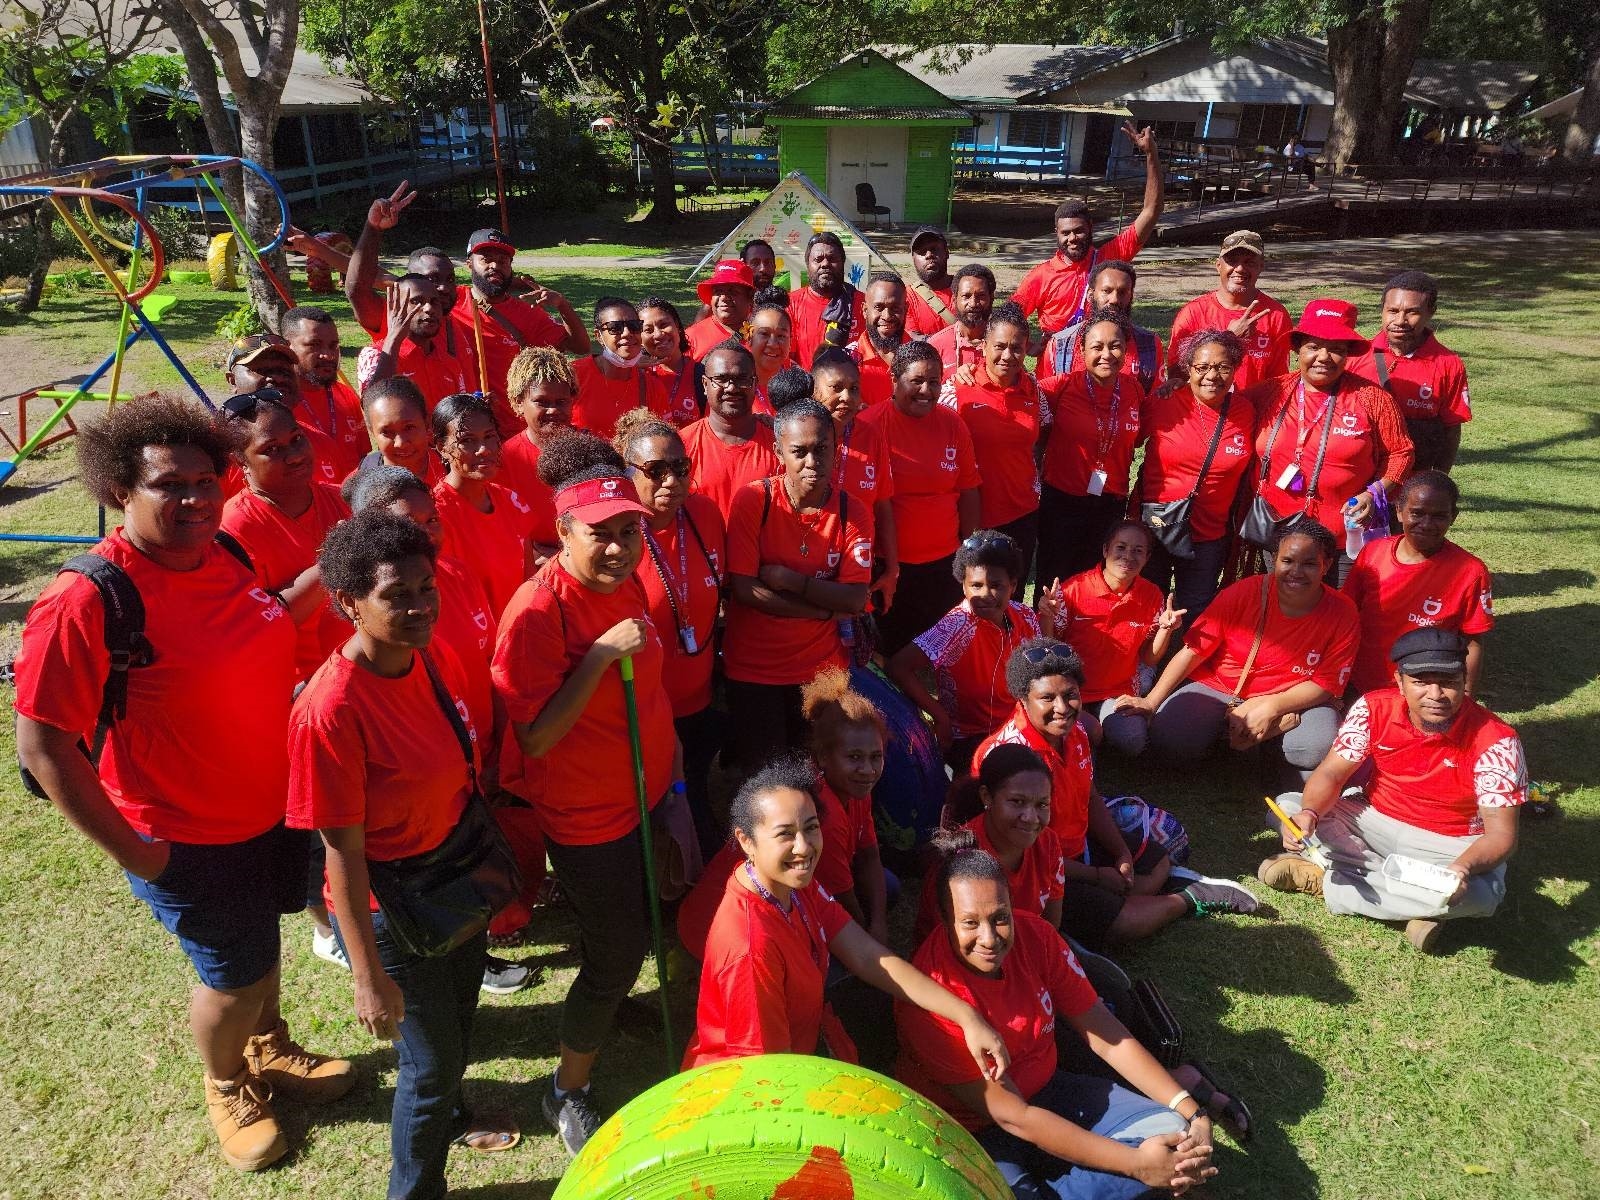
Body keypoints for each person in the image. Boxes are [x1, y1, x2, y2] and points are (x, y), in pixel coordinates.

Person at [15, 396, 352, 1174]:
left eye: (207, 480)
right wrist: (139, 856)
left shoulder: (224, 554)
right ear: (118, 490)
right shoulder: (88, 600)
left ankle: (270, 1050)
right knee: (231, 978)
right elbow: (43, 747)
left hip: (274, 806)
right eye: (170, 485)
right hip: (185, 835)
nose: (196, 499)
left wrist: (331, 568)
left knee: (260, 952)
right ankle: (226, 1079)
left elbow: (268, 618)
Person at [288, 511, 519, 1199]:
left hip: (455, 878)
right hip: (395, 910)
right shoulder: (330, 712)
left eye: (426, 586)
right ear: (349, 603)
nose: (420, 605)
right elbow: (341, 854)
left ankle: (449, 1117)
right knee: (430, 1063)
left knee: (459, 1027)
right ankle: (414, 1189)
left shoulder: (432, 654)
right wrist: (366, 975)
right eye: (397, 594)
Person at [492, 433, 681, 1157]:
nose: (619, 548)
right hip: (586, 815)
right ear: (563, 532)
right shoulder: (537, 613)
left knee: (637, 929)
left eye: (629, 532)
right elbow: (535, 737)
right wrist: (602, 656)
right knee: (615, 947)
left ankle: (612, 1002)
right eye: (601, 535)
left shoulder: (625, 580)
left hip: (642, 792)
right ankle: (564, 1088)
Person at [897, 829, 1217, 1200]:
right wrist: (1136, 1164)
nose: (989, 937)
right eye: (970, 922)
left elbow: (1106, 1034)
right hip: (972, 1130)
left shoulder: (1038, 937)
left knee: (1174, 1134)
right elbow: (1015, 1117)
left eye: (1000, 917)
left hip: (1051, 1091)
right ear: (944, 919)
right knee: (1156, 1166)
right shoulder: (927, 999)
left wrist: (1192, 1111)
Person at [682, 757, 1011, 1075]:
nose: (804, 847)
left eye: (811, 828)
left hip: (798, 1056)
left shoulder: (790, 882)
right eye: (785, 834)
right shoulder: (750, 946)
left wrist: (965, 1014)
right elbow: (764, 1074)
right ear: (746, 841)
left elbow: (867, 955)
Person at [1259, 629, 1528, 954]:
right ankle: (1420, 902)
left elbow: (1501, 835)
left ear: (1464, 681)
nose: (1436, 694)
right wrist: (1310, 813)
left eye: (1449, 682)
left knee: (1484, 895)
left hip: (1447, 844)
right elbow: (1331, 772)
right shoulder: (1373, 707)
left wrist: (1463, 867)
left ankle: (1327, 879)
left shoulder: (1497, 740)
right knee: (1289, 807)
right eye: (1420, 681)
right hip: (1372, 818)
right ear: (1399, 682)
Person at [976, 641, 1258, 950]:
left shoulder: (1075, 732)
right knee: (1125, 923)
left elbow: (1090, 796)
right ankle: (1188, 899)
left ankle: (1131, 895)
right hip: (1033, 867)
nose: (1062, 707)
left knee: (1158, 860)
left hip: (1076, 847)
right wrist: (1096, 875)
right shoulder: (1009, 758)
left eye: (1070, 695)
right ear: (1023, 699)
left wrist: (1121, 852)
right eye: (1047, 698)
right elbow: (1022, 851)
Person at [1117, 523, 1360, 784]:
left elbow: (1327, 684)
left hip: (1292, 697)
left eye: (1310, 564)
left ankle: (1264, 745)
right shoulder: (1245, 592)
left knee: (1314, 748)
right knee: (1170, 741)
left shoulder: (1343, 611)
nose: (1296, 572)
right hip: (1223, 687)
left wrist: (1271, 705)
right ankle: (1240, 742)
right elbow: (1193, 651)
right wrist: (1151, 702)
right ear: (1274, 560)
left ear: (1327, 565)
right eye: (1287, 560)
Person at [722, 400, 874, 773]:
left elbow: (855, 598)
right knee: (767, 777)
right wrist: (823, 609)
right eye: (799, 452)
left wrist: (792, 581)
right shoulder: (754, 501)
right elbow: (744, 589)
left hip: (822, 670)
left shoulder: (853, 511)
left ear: (835, 447)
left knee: (819, 772)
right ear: (778, 453)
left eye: (821, 449)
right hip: (755, 668)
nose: (812, 462)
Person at [613, 408, 728, 854]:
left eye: (680, 469)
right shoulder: (617, 537)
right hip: (646, 708)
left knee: (695, 783)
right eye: (654, 471)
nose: (670, 482)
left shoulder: (704, 513)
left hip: (699, 694)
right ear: (628, 473)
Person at [1242, 297, 1413, 585]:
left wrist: (1373, 493)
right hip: (1277, 532)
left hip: (1344, 537)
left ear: (1348, 355)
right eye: (1313, 346)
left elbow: (1401, 453)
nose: (1323, 356)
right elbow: (1220, 408)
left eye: (1336, 349)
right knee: (1286, 609)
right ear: (1298, 349)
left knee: (1339, 610)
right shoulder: (1269, 393)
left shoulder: (1372, 399)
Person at [219, 391, 351, 684]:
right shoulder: (235, 528)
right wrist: (331, 562)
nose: (294, 455)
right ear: (240, 461)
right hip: (299, 687)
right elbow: (258, 627)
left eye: (296, 439)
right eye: (272, 449)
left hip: (359, 668)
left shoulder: (340, 498)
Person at [862, 340, 981, 657]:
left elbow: (968, 490)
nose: (927, 390)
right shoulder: (869, 428)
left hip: (944, 563)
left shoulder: (953, 424)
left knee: (940, 652)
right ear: (894, 380)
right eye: (916, 381)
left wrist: (969, 553)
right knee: (890, 653)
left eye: (934, 382)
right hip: (889, 566)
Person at [888, 530, 1041, 775]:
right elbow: (899, 667)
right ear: (963, 585)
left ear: (1013, 586)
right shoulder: (956, 624)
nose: (984, 595)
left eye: (996, 586)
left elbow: (1039, 672)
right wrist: (940, 718)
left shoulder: (1025, 616)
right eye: (976, 585)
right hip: (969, 735)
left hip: (1018, 723)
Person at [1135, 330, 1257, 623]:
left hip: (1209, 533)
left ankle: (1189, 667)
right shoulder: (1164, 401)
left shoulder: (1246, 411)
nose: (1212, 376)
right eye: (1202, 367)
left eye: (1223, 367)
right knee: (1147, 602)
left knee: (1197, 610)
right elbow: (1129, 440)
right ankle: (1144, 667)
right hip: (1158, 526)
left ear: (1235, 369)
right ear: (1188, 369)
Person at [1038, 521, 1184, 757]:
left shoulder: (1152, 595)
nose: (1128, 556)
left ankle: (1092, 731)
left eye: (1138, 551)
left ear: (1147, 558)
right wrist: (1047, 617)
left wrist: (1165, 630)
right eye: (1121, 547)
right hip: (1070, 691)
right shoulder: (1073, 589)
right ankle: (1087, 731)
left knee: (1133, 741)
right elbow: (1048, 649)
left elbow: (1149, 657)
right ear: (1106, 550)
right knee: (1080, 736)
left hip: (1117, 692)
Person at [1342, 470, 1493, 696]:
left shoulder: (1471, 572)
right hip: (1360, 684)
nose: (1426, 524)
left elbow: (1473, 640)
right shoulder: (1373, 554)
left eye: (1439, 516)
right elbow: (1345, 613)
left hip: (1424, 693)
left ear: (1454, 516)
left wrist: (1467, 694)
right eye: (1417, 513)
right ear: (1399, 512)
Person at [1011, 123, 1164, 339]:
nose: (1072, 238)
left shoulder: (1109, 258)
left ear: (1090, 228)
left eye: (1079, 231)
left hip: (1105, 363)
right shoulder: (1040, 276)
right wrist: (1027, 345)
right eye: (1066, 233)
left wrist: (1151, 155)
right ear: (1057, 233)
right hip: (1056, 368)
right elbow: (1009, 318)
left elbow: (1151, 210)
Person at [1037, 308, 1146, 587]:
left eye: (1115, 346)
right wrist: (968, 371)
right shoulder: (1059, 388)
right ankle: (1045, 630)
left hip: (1110, 503)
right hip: (1062, 502)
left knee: (1095, 580)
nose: (1106, 355)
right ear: (1082, 351)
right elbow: (1015, 388)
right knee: (1054, 579)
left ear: (1126, 350)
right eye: (1097, 347)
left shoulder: (1134, 391)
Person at [938, 302, 1047, 576]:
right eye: (999, 346)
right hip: (975, 517)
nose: (1007, 356)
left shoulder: (1033, 389)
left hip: (1024, 513)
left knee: (1013, 592)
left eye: (1017, 348)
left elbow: (1045, 432)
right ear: (984, 346)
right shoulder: (958, 388)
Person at [347, 186, 474, 407]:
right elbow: (358, 290)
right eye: (432, 280)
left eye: (449, 280)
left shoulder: (450, 336)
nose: (441, 289)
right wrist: (373, 228)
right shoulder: (386, 337)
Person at [1347, 270, 1471, 474]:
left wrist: (1438, 480)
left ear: (1431, 312)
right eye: (1392, 311)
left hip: (1412, 486)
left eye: (1412, 312)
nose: (1400, 320)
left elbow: (1451, 430)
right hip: (1358, 482)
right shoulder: (1356, 356)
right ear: (1382, 310)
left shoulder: (1449, 364)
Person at [429, 393, 533, 620]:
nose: (483, 449)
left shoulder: (513, 503)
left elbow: (528, 584)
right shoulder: (433, 517)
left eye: (489, 436)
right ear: (441, 447)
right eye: (467, 440)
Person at [811, 348, 899, 605]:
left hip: (858, 575)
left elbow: (883, 505)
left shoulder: (871, 436)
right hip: (809, 574)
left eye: (854, 388)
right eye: (836, 388)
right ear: (814, 389)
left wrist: (892, 568)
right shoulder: (797, 435)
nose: (847, 397)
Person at [1166, 231, 1292, 392]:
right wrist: (1229, 338)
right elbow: (1177, 375)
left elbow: (1279, 381)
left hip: (1256, 411)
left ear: (1261, 266)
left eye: (1249, 262)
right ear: (1218, 265)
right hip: (1206, 413)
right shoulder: (1194, 312)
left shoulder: (1275, 315)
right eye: (1231, 261)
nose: (1239, 268)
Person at [224, 335, 345, 488]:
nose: (277, 378)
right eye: (261, 370)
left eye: (284, 370)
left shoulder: (322, 443)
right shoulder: (212, 450)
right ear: (232, 380)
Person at [681, 341, 779, 520]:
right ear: (704, 384)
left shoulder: (779, 444)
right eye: (721, 379)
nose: (731, 388)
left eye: (742, 379)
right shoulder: (682, 445)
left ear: (755, 383)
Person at [1035, 260, 1165, 394]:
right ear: (1090, 296)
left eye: (1122, 292)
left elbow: (1154, 404)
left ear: (1131, 296)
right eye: (1106, 291)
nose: (1114, 299)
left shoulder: (1150, 344)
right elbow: (1044, 400)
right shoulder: (1060, 346)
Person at [497, 346, 574, 568]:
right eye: (541, 402)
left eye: (561, 402)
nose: (553, 410)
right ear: (518, 402)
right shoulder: (504, 459)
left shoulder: (590, 449)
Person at [281, 305, 371, 478]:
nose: (328, 355)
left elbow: (362, 458)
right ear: (287, 347)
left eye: (333, 346)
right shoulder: (279, 405)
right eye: (315, 345)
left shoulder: (346, 395)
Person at [571, 297, 670, 438]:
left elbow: (662, 441)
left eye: (634, 326)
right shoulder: (572, 375)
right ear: (599, 336)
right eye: (615, 328)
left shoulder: (652, 387)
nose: (626, 333)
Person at [788, 231, 866, 368]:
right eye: (818, 259)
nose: (825, 264)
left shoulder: (864, 304)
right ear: (808, 265)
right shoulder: (790, 305)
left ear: (843, 263)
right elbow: (786, 360)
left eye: (832, 259)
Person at [356, 377, 445, 486]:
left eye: (409, 428)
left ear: (426, 424)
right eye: (386, 432)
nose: (400, 443)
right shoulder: (362, 482)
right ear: (372, 431)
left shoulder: (452, 470)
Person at [639, 295, 704, 428]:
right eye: (648, 330)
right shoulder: (635, 375)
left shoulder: (702, 374)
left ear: (678, 326)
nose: (658, 334)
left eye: (664, 325)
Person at [851, 271, 910, 406]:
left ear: (905, 309)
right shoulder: (847, 361)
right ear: (865, 310)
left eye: (895, 308)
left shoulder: (922, 357)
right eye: (879, 307)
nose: (887, 316)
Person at [928, 263, 997, 377]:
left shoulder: (1003, 344)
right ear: (954, 300)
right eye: (966, 296)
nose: (973, 303)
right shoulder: (936, 346)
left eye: (981, 296)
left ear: (992, 298)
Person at [686, 259, 757, 361]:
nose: (723, 297)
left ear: (750, 297)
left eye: (733, 292)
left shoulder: (763, 334)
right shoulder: (691, 337)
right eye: (718, 291)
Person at [904, 225, 958, 336]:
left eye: (934, 249)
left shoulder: (965, 289)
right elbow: (912, 338)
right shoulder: (907, 296)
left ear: (947, 253)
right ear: (913, 259)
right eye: (922, 252)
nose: (929, 255)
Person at [748, 298, 796, 407]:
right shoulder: (735, 385)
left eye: (781, 336)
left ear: (790, 341)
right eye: (764, 334)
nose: (773, 344)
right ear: (749, 337)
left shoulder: (798, 382)